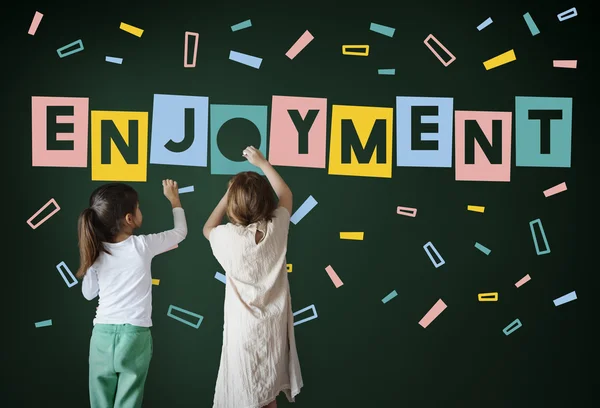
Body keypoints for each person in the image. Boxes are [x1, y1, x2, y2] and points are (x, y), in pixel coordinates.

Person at [204, 146, 303, 408]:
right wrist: (263, 163)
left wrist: (229, 193)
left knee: (244, 392)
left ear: (233, 204)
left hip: (242, 333)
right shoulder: (277, 227)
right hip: (273, 328)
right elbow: (286, 194)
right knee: (267, 394)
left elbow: (207, 228)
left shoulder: (227, 238)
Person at [77, 180, 187, 408]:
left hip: (102, 336)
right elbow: (180, 233)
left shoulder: (95, 253)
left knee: (99, 401)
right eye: (138, 207)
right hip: (135, 335)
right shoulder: (142, 246)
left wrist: (90, 262)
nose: (140, 211)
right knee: (129, 402)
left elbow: (89, 294)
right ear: (129, 219)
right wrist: (174, 200)